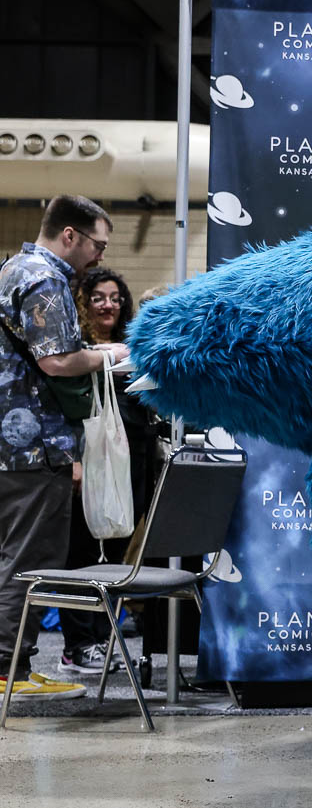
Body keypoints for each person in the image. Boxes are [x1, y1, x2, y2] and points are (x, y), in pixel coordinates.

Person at [0, 195, 129, 701]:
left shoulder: (13, 267)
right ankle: (11, 671)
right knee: (27, 562)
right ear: (70, 235)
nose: (99, 256)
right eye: (97, 244)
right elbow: (57, 362)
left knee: (12, 558)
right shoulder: (45, 277)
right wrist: (110, 354)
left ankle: (15, 665)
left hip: (15, 446)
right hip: (33, 449)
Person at [55, 268, 147, 675]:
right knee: (80, 551)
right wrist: (72, 461)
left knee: (115, 551)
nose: (108, 304)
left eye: (114, 297)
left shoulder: (133, 347)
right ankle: (78, 645)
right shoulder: (72, 353)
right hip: (88, 460)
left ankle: (102, 635)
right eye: (98, 297)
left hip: (133, 462)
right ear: (83, 303)